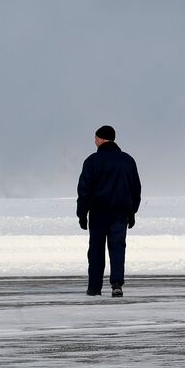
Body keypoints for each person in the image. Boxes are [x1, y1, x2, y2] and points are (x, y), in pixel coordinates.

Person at [77, 125, 142, 298]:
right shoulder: (127, 161)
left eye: (95, 138)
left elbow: (84, 190)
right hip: (120, 213)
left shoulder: (91, 161)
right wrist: (132, 211)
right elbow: (135, 188)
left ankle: (94, 287)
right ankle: (116, 284)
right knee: (118, 249)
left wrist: (82, 214)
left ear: (100, 139)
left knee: (96, 250)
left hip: (98, 213)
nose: (94, 141)